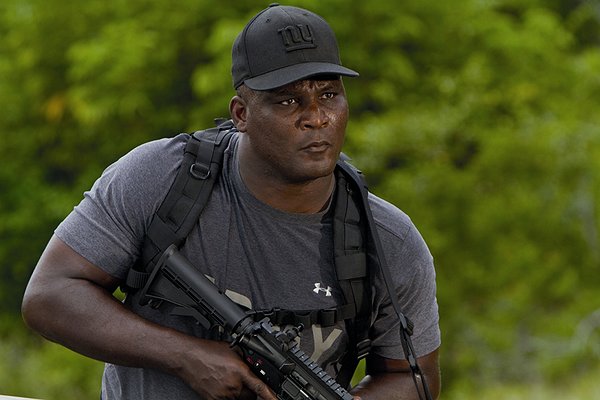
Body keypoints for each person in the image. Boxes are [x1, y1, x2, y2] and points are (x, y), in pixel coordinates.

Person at [22, 4, 441, 400]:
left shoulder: (388, 240)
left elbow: (415, 378)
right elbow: (49, 296)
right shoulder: (163, 180)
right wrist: (186, 357)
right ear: (241, 114)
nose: (316, 117)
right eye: (289, 100)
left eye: (329, 95)